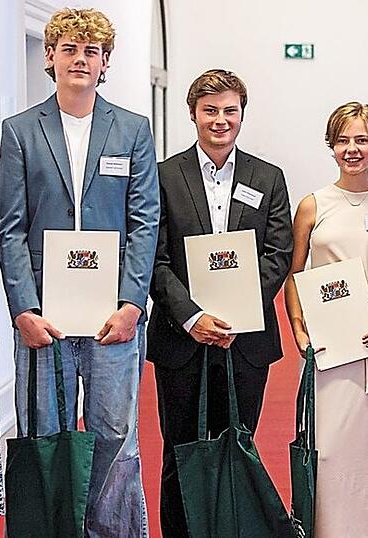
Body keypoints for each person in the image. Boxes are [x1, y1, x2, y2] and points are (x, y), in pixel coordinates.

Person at [0, 8, 158, 536]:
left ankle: (110, 532)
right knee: (48, 431)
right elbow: (11, 228)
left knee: (115, 434)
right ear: (50, 56)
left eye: (91, 51)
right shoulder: (19, 132)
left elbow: (143, 222)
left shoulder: (133, 130)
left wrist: (134, 302)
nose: (80, 60)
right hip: (45, 319)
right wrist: (23, 309)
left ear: (105, 61)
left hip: (114, 316)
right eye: (69, 49)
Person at [147, 69, 292, 537]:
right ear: (193, 113)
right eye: (210, 110)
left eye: (230, 110)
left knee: (238, 446)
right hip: (181, 338)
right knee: (180, 449)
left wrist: (237, 310)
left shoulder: (267, 178)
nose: (221, 120)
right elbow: (154, 257)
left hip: (245, 341)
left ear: (242, 115)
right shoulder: (164, 176)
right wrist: (192, 317)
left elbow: (279, 254)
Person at [283, 102, 368, 536]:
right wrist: (299, 328)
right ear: (331, 146)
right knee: (331, 447)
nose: (351, 149)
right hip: (329, 342)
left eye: (361, 140)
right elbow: (296, 274)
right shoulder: (312, 205)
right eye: (342, 140)